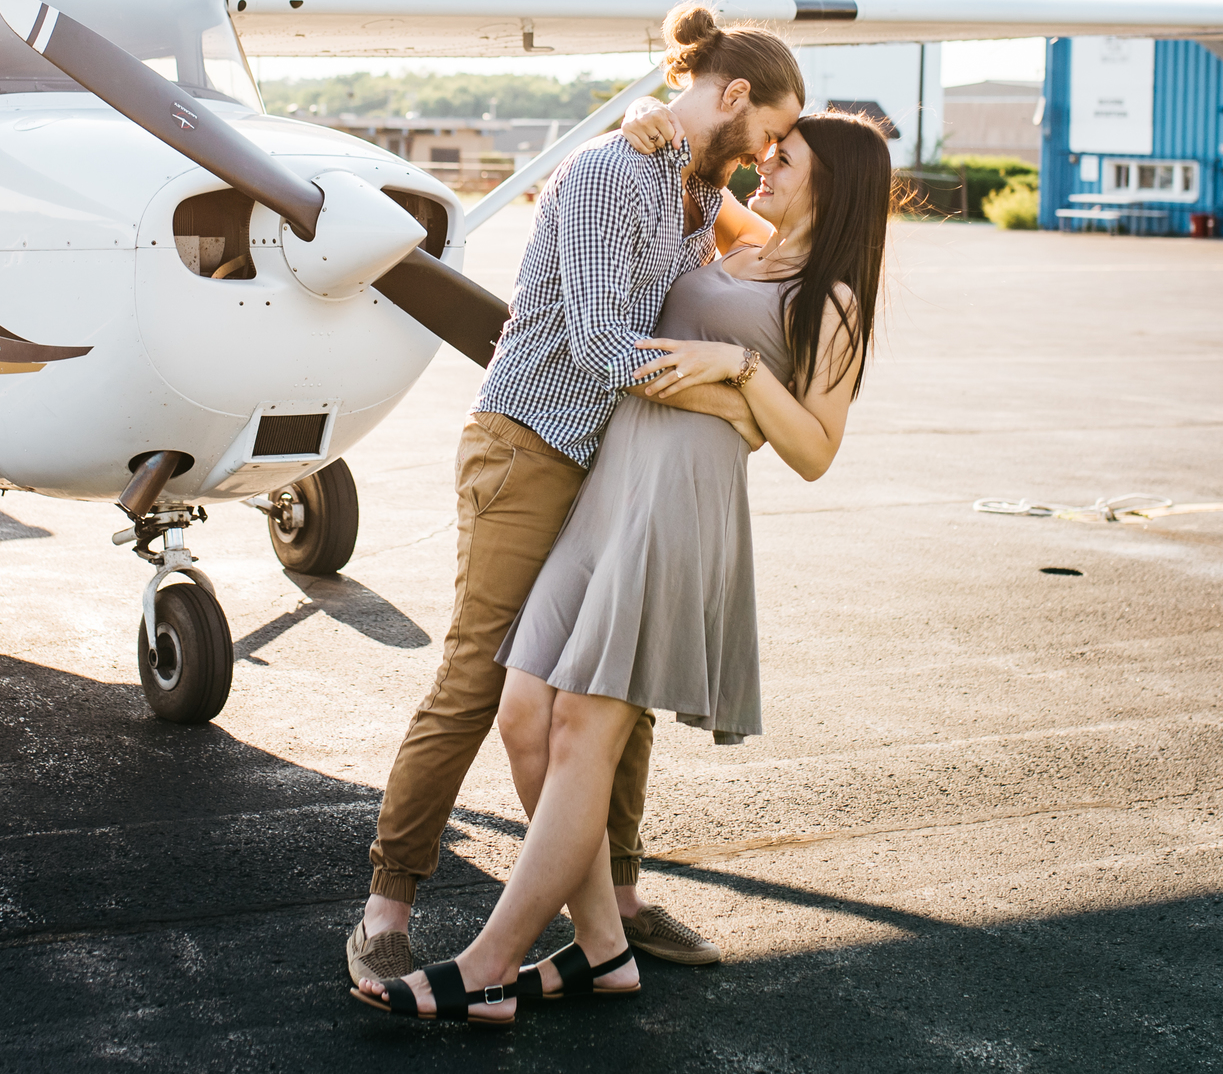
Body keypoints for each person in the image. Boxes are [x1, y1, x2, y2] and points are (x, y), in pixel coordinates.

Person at [356, 107, 896, 1022]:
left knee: (583, 732)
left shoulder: (832, 297)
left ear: (831, 183)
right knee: (525, 709)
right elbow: (652, 194)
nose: (764, 164)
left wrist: (739, 369)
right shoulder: (738, 232)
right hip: (610, 483)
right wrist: (645, 128)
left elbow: (814, 449)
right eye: (769, 149)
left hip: (680, 504)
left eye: (786, 157)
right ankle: (604, 950)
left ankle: (490, 962)